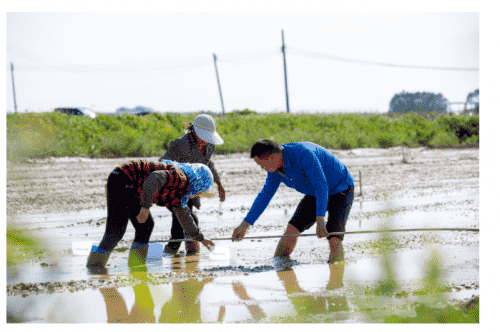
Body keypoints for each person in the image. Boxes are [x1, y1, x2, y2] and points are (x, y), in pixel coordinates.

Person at [231, 139, 354, 264]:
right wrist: (244, 225)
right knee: (291, 230)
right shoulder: (274, 170)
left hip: (340, 188)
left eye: (262, 165)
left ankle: (336, 279)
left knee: (334, 237)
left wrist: (320, 219)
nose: (263, 169)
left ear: (272, 157)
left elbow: (321, 185)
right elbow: (264, 196)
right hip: (314, 193)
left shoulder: (303, 154)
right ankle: (279, 264)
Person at [86, 160, 216, 269]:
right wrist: (145, 208)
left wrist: (201, 238)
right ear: (197, 182)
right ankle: (103, 267)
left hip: (126, 182)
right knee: (119, 230)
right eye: (200, 191)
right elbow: (154, 178)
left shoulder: (180, 193)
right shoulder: (179, 178)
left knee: (140, 227)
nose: (198, 194)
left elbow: (185, 217)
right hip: (124, 178)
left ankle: (127, 267)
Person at [159, 114, 225, 255]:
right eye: (203, 136)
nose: (205, 141)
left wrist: (219, 183)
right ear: (193, 131)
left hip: (192, 189)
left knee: (181, 218)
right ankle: (187, 251)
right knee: (188, 217)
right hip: (174, 187)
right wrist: (179, 172)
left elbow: (207, 163)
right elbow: (162, 162)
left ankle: (181, 253)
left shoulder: (209, 146)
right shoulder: (180, 144)